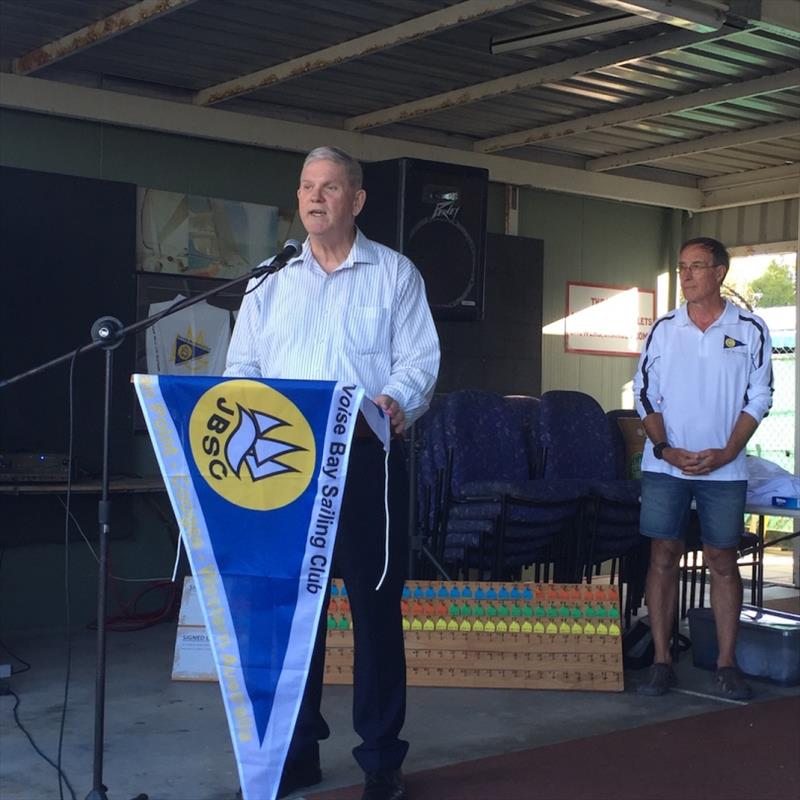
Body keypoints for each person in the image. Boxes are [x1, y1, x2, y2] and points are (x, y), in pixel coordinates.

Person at [225, 146, 440, 800]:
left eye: (329, 187)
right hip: (283, 471)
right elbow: (242, 370)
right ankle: (296, 753)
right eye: (306, 187)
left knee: (375, 612)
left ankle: (381, 758)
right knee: (296, 617)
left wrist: (396, 400)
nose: (314, 198)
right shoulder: (269, 277)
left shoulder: (395, 274)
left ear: (357, 200)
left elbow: (419, 360)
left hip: (367, 464)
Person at [633, 236, 772, 700]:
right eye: (681, 267)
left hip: (725, 469)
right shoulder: (663, 329)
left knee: (721, 560)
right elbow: (644, 394)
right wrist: (666, 448)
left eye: (696, 266)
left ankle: (726, 664)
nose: (687, 276)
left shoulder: (750, 328)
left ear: (720, 273)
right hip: (665, 467)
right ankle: (661, 661)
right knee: (663, 555)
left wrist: (730, 450)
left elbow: (761, 395)